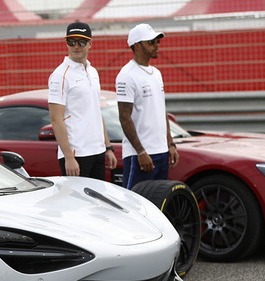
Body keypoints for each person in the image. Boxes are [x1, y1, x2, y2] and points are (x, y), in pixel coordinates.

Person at [48, 22, 117, 179]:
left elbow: (96, 111)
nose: (76, 46)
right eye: (71, 41)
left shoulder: (93, 72)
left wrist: (107, 147)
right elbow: (55, 119)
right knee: (77, 203)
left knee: (98, 202)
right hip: (76, 155)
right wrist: (69, 157)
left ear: (90, 44)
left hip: (98, 151)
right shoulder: (60, 75)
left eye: (82, 41)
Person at [116, 23, 179, 189]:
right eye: (151, 42)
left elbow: (161, 110)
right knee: (134, 205)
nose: (157, 45)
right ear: (137, 45)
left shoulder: (156, 73)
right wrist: (141, 152)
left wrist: (170, 143)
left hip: (161, 152)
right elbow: (124, 116)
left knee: (158, 204)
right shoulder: (127, 75)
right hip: (140, 156)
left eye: (157, 41)